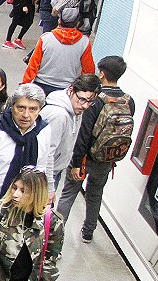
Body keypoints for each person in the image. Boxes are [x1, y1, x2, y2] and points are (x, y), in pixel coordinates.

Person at [58, 55, 135, 243]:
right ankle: (88, 232)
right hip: (107, 159)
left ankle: (55, 234)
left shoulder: (97, 100)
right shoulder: (128, 101)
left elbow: (84, 134)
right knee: (95, 194)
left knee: (69, 194)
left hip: (85, 158)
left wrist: (76, 162)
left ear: (101, 73)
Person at [0, 83, 53, 220]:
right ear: (12, 106)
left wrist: (47, 191)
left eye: (33, 109)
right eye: (21, 108)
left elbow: (43, 165)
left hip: (23, 199)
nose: (26, 115)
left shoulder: (43, 131)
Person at [40, 74, 102, 191]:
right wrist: (49, 188)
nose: (85, 106)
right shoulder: (59, 115)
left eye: (90, 102)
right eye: (82, 99)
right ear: (71, 90)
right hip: (42, 175)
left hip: (54, 171)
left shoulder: (75, 109)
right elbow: (47, 153)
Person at [22, 6, 95, 96]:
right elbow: (88, 70)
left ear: (59, 21)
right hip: (67, 89)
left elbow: (33, 66)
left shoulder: (46, 38)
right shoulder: (84, 42)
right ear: (78, 23)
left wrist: (24, 87)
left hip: (40, 87)